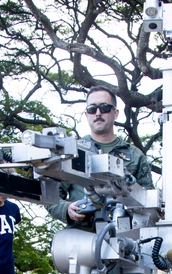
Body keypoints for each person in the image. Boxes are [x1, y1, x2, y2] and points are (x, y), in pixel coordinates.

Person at [46, 85, 153, 226]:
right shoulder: (71, 151)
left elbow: (149, 200)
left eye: (104, 108)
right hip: (81, 239)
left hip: (125, 238)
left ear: (115, 113)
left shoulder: (135, 155)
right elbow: (50, 196)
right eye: (92, 109)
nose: (97, 113)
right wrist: (66, 209)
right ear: (86, 115)